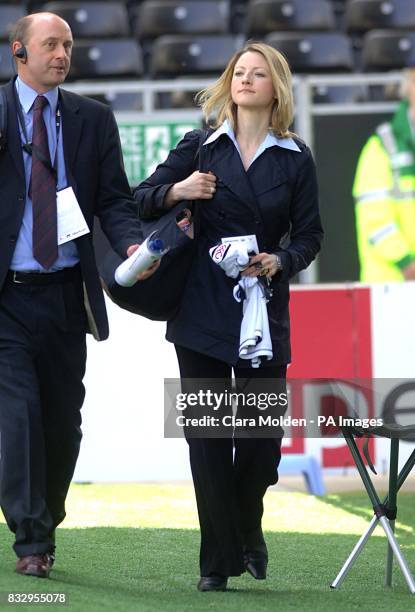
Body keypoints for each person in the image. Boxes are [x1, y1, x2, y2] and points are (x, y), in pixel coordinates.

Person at [135, 41, 323, 591]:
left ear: (275, 87)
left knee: (263, 441)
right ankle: (216, 563)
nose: (244, 80)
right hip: (202, 309)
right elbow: (140, 197)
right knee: (209, 439)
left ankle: (248, 528)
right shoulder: (199, 146)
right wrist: (178, 190)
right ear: (229, 83)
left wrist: (281, 260)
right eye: (238, 72)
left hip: (265, 306)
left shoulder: (295, 156)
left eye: (257, 74)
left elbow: (310, 235)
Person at [0, 12, 156, 578]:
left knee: (63, 423)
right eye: (50, 44)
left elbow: (114, 199)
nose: (63, 53)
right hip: (6, 300)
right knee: (17, 416)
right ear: (19, 51)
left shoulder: (94, 119)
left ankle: (46, 517)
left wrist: (134, 247)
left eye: (68, 44)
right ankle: (31, 539)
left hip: (68, 295)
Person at [353, 66, 415, 282]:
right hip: (392, 287)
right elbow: (374, 217)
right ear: (409, 86)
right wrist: (406, 262)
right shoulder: (382, 145)